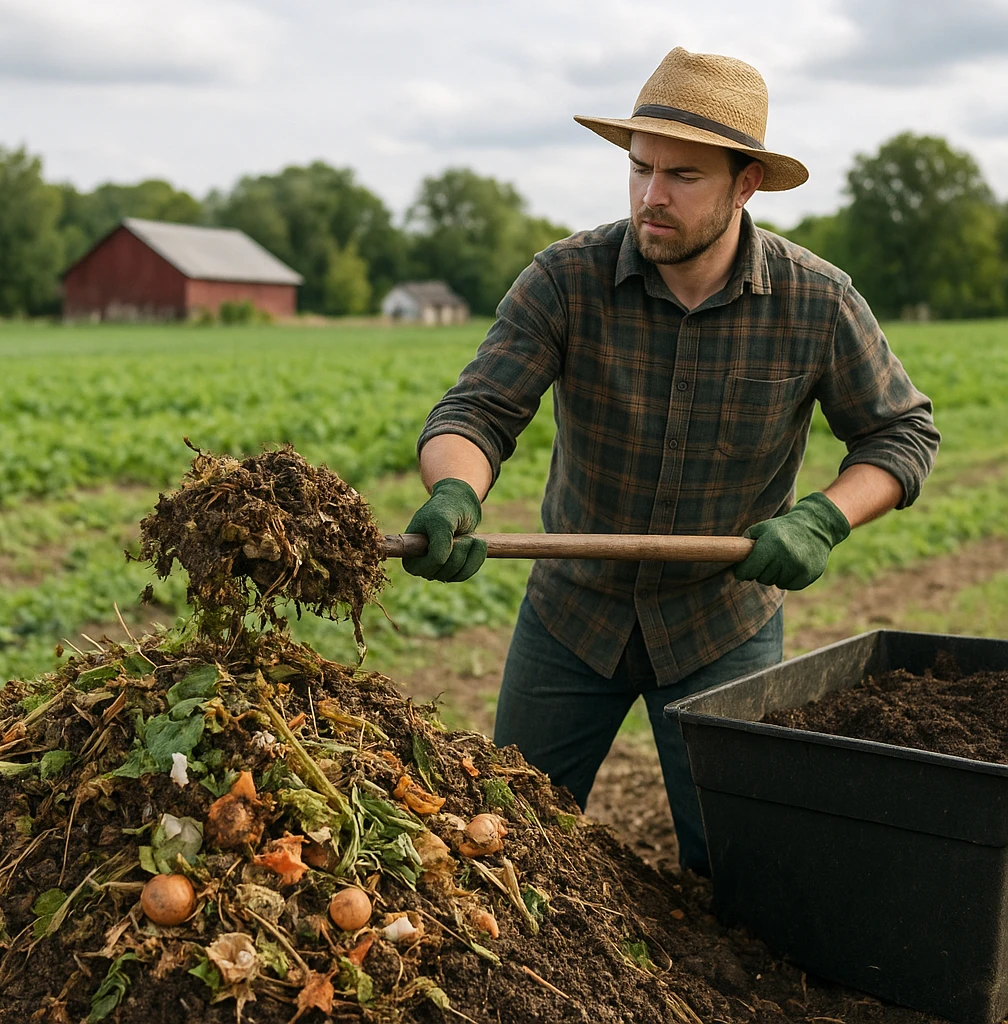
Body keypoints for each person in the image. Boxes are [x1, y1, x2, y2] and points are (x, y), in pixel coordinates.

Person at [400, 47, 940, 876]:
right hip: (572, 619)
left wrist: (823, 519)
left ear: (745, 182)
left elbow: (901, 433)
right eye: (640, 167)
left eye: (683, 176)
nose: (652, 195)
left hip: (722, 624)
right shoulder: (566, 280)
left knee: (734, 873)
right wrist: (454, 493)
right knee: (499, 845)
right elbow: (477, 412)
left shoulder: (816, 300)